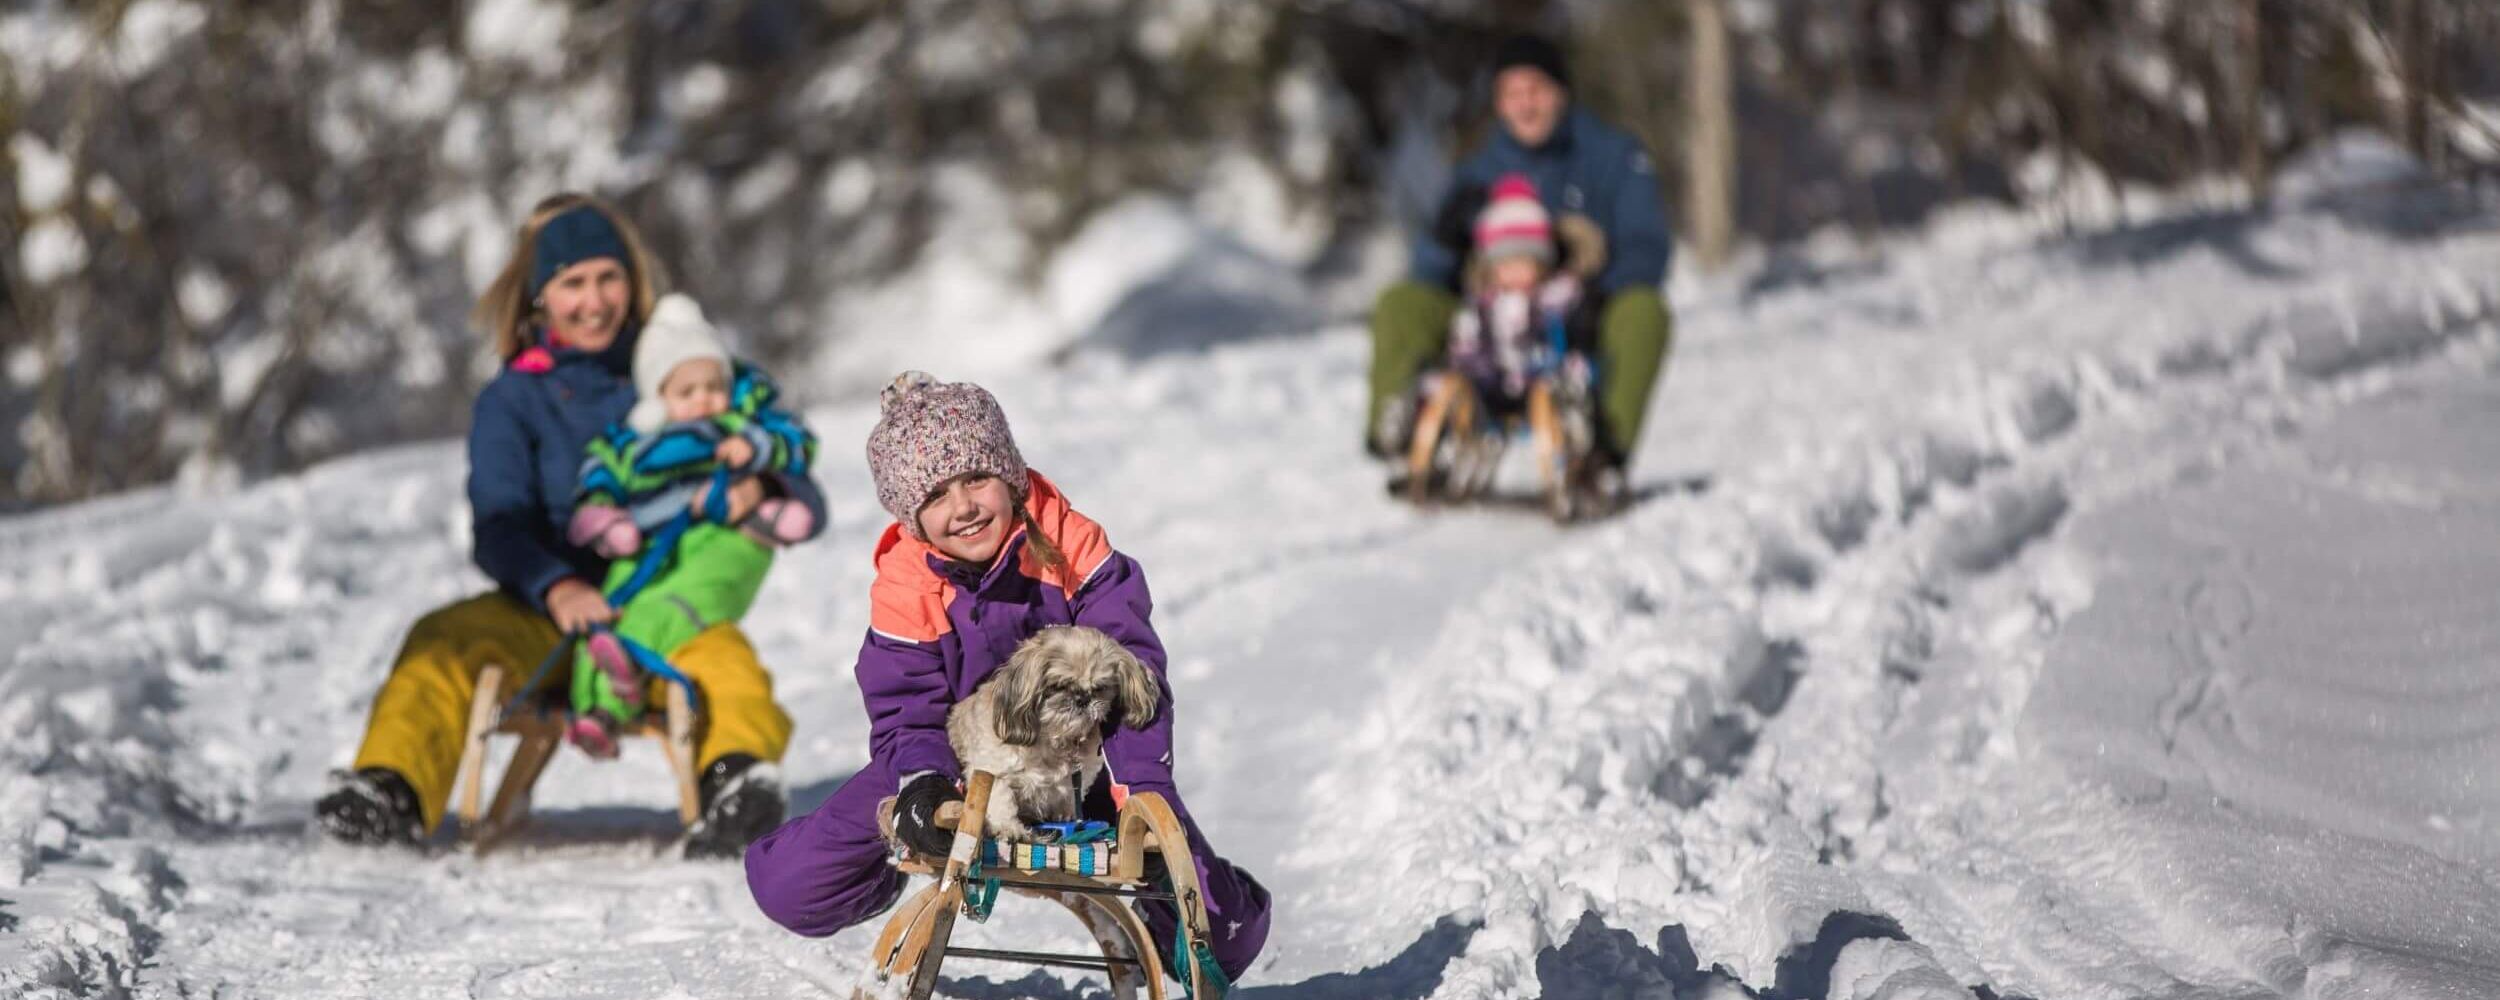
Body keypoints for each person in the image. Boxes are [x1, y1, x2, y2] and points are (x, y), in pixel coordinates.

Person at [314, 194, 824, 859]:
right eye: (572, 283)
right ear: (538, 295)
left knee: (723, 659)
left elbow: (784, 451)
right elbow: (498, 522)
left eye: (608, 277)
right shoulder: (513, 400)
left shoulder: (674, 369)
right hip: (550, 618)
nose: (595, 300)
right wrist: (556, 588)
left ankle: (736, 783)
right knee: (443, 641)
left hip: (655, 609)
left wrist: (765, 483)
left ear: (633, 282)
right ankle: (392, 788)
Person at [742, 373, 1272, 983]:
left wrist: (1141, 790)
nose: (963, 506)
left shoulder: (1073, 546)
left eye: (975, 479)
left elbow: (1133, 674)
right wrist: (923, 788)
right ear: (912, 516)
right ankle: (895, 857)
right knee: (790, 884)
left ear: (1010, 475)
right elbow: (906, 710)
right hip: (959, 764)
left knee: (1221, 930)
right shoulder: (907, 586)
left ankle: (1200, 910)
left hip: (1087, 766)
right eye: (936, 495)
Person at [1368, 34, 1675, 485]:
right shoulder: (1479, 168)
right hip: (1492, 319)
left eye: (1536, 91)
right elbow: (1430, 270)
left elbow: (1646, 246)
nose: (1525, 105)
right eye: (1512, 94)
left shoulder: (1612, 156)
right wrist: (1445, 238)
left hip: (1577, 315)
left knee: (1645, 312)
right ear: (1498, 102)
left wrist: (1597, 291)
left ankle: (1602, 453)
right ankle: (1405, 430)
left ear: (1561, 92)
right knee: (1403, 302)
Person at [562, 293, 819, 758]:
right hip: (649, 545)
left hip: (726, 539)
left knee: (679, 604)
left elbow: (797, 442)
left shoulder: (742, 424)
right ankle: (599, 711)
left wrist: (756, 451)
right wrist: (601, 513)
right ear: (659, 397)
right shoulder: (638, 441)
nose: (704, 400)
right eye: (687, 391)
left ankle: (624, 679)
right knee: (606, 615)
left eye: (713, 386)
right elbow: (601, 470)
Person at [1447, 173, 1603, 403]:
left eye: (1524, 263)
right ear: (1491, 269)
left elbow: (1574, 342)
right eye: (1507, 265)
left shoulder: (1556, 299)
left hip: (1545, 386)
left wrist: (1570, 368)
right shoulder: (1482, 306)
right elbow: (1466, 344)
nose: (1516, 273)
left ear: (1541, 265)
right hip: (1491, 390)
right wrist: (1473, 368)